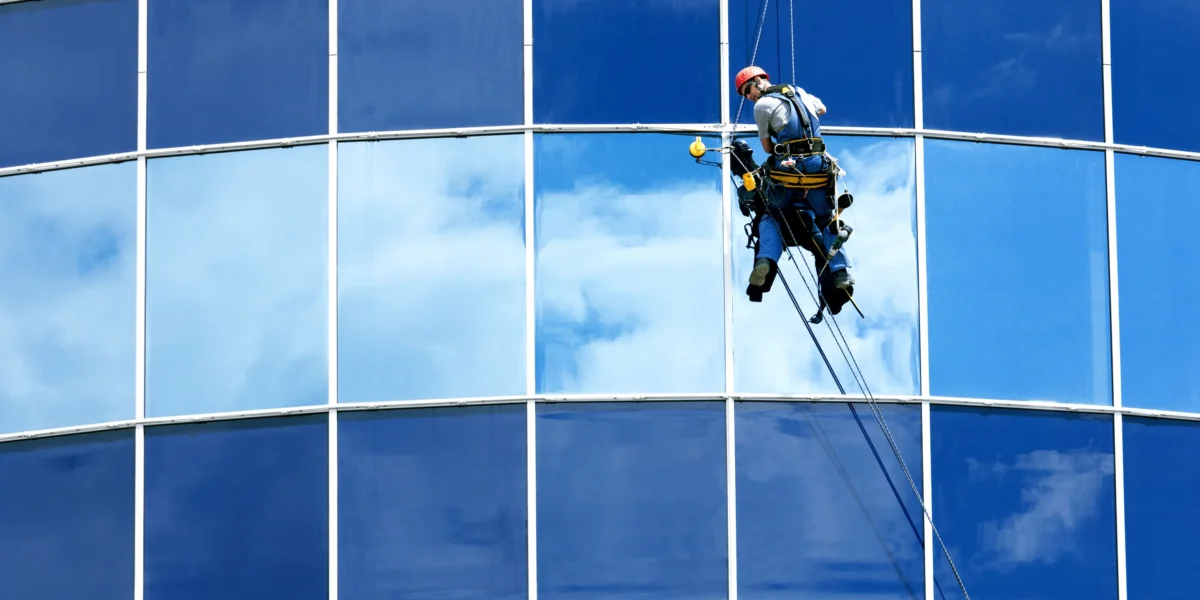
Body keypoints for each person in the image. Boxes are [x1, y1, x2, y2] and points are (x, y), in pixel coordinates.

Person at [734, 65, 854, 302]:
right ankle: (840, 271)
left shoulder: (762, 106)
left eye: (748, 91)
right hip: (818, 169)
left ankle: (766, 260)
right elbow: (822, 109)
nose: (749, 97)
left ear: (759, 81)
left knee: (769, 214)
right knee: (827, 220)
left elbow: (768, 148)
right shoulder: (800, 92)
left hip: (787, 171)